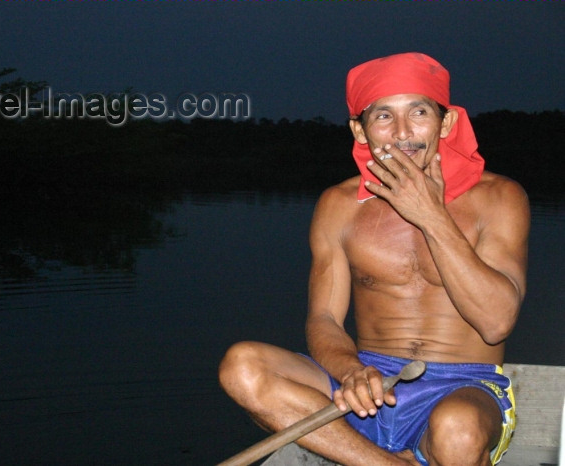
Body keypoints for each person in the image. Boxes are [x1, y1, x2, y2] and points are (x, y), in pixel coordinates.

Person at [218, 52, 530, 466]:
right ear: (360, 130)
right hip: (367, 380)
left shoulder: (500, 198)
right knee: (242, 365)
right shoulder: (339, 205)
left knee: (458, 429)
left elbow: (496, 323)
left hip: (464, 385)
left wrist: (431, 215)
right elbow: (324, 318)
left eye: (418, 112)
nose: (402, 133)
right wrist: (350, 371)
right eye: (383, 116)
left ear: (447, 122)